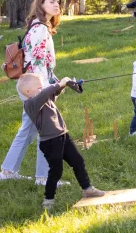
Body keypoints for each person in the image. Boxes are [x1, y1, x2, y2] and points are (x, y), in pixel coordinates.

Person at [0, 0, 62, 185]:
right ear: (41, 4)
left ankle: (7, 172)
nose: (57, 5)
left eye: (58, 2)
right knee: (47, 130)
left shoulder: (37, 26)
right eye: (51, 2)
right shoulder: (40, 28)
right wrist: (50, 87)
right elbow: (38, 63)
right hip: (36, 86)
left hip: (31, 84)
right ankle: (43, 177)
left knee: (28, 130)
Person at [18, 73, 105, 209]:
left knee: (78, 161)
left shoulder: (44, 97)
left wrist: (65, 85)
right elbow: (47, 92)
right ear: (28, 92)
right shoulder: (30, 104)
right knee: (56, 171)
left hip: (63, 135)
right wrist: (59, 83)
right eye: (39, 88)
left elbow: (53, 93)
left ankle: (87, 188)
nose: (42, 89)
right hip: (50, 142)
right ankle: (49, 199)